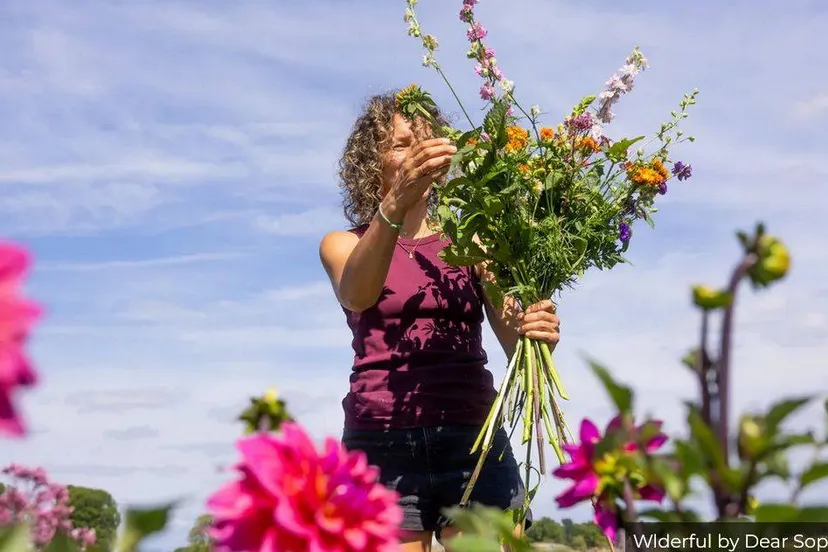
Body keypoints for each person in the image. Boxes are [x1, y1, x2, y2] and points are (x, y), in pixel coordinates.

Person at [319, 90, 561, 552]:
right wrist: (393, 206)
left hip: (472, 436)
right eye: (402, 143)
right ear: (373, 163)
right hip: (379, 441)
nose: (419, 153)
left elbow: (516, 344)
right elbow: (358, 294)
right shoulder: (342, 243)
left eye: (428, 141)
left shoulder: (473, 240)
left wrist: (538, 332)